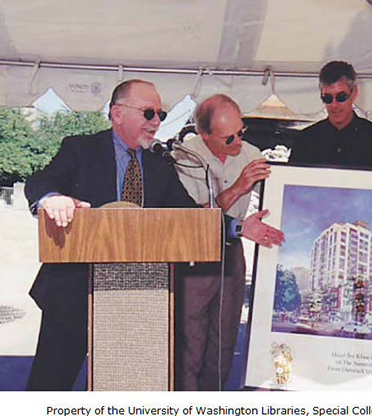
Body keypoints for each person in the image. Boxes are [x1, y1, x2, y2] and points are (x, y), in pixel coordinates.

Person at [25, 80, 277, 390]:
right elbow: (41, 181)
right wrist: (52, 198)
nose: (157, 121)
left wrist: (238, 227)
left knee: (123, 389)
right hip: (73, 293)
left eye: (161, 113)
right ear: (117, 114)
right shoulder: (80, 149)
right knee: (49, 386)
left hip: (135, 299)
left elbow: (189, 218)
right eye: (148, 113)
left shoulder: (160, 164)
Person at [171, 94, 284, 390]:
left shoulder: (252, 154)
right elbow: (196, 217)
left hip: (232, 252)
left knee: (224, 342)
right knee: (190, 343)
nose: (238, 142)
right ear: (204, 135)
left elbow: (279, 197)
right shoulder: (185, 157)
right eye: (229, 137)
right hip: (195, 255)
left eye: (241, 132)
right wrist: (238, 188)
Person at [289, 60, 372, 170]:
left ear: (354, 92)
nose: (334, 105)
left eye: (341, 97)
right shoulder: (305, 140)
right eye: (328, 98)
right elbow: (288, 180)